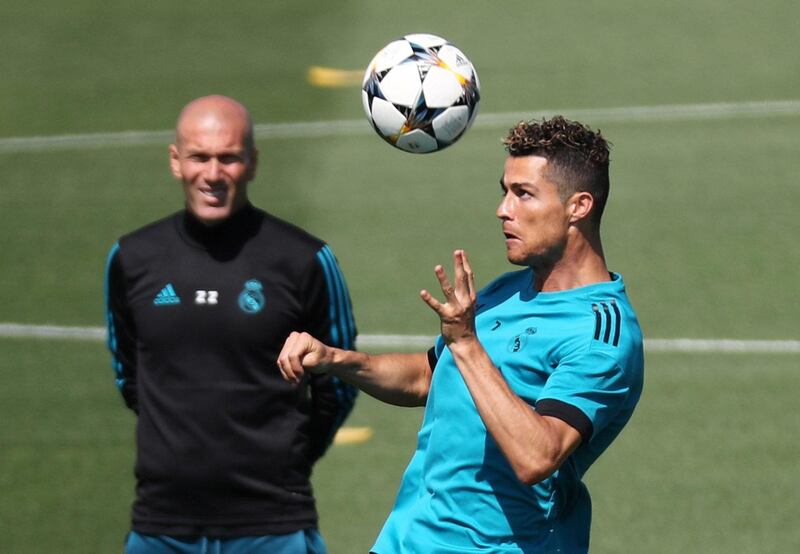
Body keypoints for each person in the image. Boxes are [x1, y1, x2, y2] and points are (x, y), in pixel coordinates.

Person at [278, 116, 644, 553]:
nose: (503, 209)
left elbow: (538, 457)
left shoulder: (601, 333)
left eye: (523, 194)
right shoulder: (508, 291)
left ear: (578, 207)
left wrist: (468, 343)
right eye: (504, 191)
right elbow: (428, 377)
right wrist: (336, 360)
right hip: (408, 539)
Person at [104, 95, 357, 554]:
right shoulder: (132, 259)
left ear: (253, 162)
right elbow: (129, 376)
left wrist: (286, 461)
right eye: (200, 157)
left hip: (274, 525)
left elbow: (339, 384)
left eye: (229, 158)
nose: (213, 174)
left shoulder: (303, 260)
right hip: (161, 525)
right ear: (175, 161)